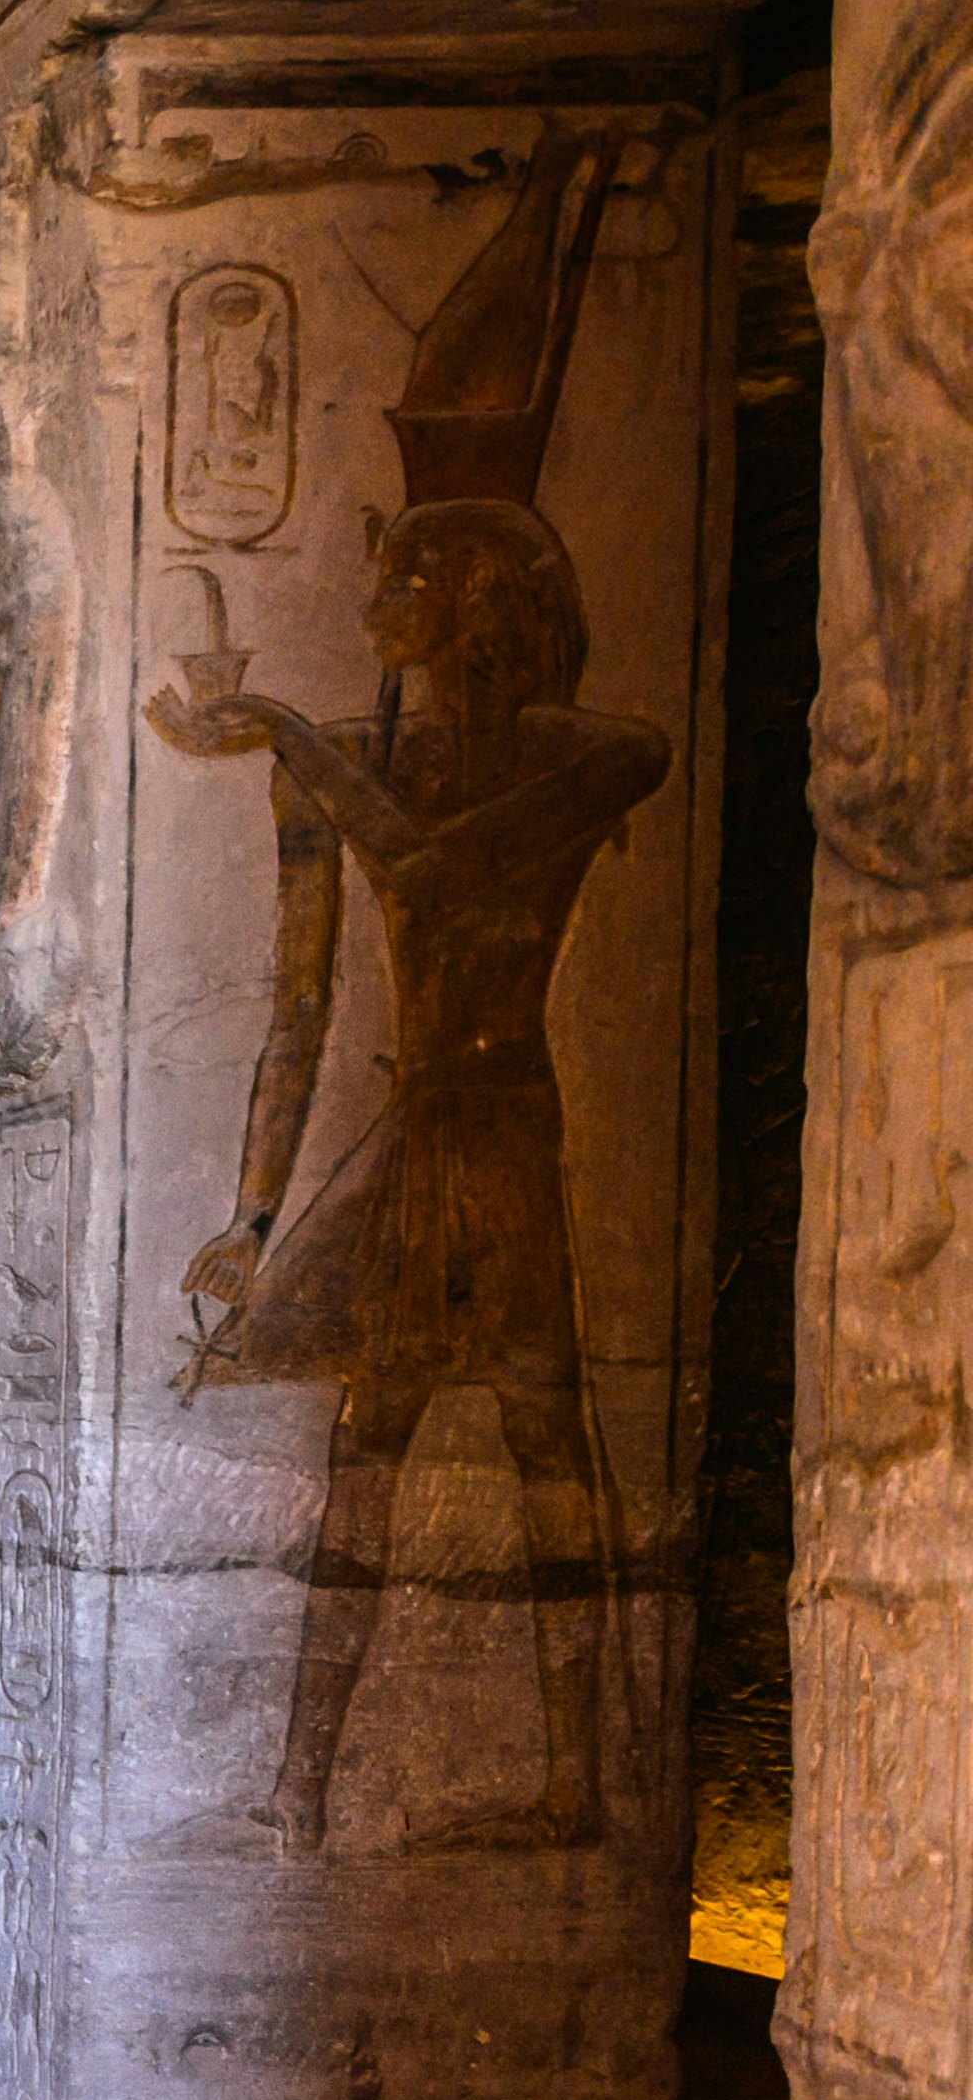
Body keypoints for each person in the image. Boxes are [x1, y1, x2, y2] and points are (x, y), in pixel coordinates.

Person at [149, 496, 667, 1850]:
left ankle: (574, 1789)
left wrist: (292, 733)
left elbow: (438, 873)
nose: (377, 598)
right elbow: (298, 1014)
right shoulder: (344, 765)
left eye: (405, 576)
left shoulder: (571, 753)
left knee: (547, 1440)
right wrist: (256, 1217)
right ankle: (298, 1791)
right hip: (425, 1135)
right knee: (365, 1448)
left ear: (477, 596)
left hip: (506, 1134)